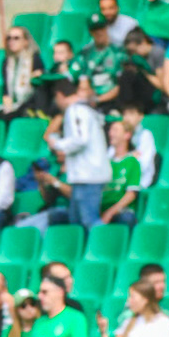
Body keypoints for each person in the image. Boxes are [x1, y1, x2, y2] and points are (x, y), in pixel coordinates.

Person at [46, 78, 110, 229]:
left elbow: (80, 139)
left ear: (59, 95)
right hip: (84, 175)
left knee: (89, 220)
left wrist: (57, 144)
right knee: (75, 221)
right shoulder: (83, 109)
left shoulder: (76, 110)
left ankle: (105, 243)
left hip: (89, 175)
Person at [12, 274, 89, 337]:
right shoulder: (39, 322)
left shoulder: (76, 318)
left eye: (44, 292)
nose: (39, 296)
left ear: (60, 292)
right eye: (39, 292)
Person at [99, 278, 169, 337]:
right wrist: (103, 332)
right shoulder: (127, 322)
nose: (129, 301)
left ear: (145, 299)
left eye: (132, 297)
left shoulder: (163, 322)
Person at [99, 118, 144, 226]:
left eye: (115, 130)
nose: (111, 134)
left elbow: (131, 194)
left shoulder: (132, 162)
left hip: (121, 211)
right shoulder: (105, 162)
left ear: (127, 135)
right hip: (101, 209)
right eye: (110, 130)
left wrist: (110, 213)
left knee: (126, 218)